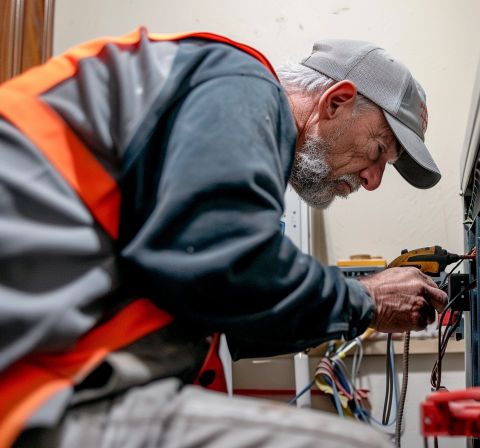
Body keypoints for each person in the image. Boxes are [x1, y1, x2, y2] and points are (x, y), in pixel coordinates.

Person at [0, 28, 447, 447]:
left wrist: (360, 307)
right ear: (336, 102)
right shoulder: (240, 86)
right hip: (30, 388)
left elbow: (218, 308)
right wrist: (366, 300)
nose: (372, 181)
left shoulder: (227, 121)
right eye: (377, 151)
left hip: (51, 373)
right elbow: (222, 270)